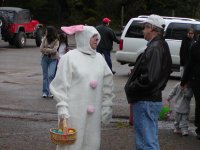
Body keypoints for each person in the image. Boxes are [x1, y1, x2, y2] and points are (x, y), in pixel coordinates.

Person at [50, 25, 114, 150]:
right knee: (72, 145)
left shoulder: (100, 59)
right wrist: (63, 109)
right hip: (73, 114)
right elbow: (60, 85)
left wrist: (107, 105)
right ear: (84, 38)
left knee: (92, 144)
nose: (96, 39)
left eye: (97, 37)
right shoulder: (69, 58)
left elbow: (108, 83)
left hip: (93, 118)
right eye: (93, 37)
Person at [124, 14, 172, 150]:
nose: (143, 30)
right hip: (150, 100)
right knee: (148, 140)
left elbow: (150, 78)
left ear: (151, 28)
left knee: (146, 142)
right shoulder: (160, 45)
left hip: (146, 101)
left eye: (145, 27)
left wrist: (132, 87)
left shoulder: (155, 47)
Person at [181, 37, 200, 140]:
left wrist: (184, 81)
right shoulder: (195, 46)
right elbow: (189, 65)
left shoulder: (195, 46)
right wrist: (184, 81)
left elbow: (189, 65)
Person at [40, 26, 59, 98]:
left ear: (50, 32)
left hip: (53, 59)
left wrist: (46, 49)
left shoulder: (56, 40)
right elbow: (41, 48)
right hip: (44, 58)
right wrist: (49, 49)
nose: (45, 32)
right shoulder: (45, 38)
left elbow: (54, 50)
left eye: (47, 31)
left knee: (51, 75)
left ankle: (51, 92)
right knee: (45, 76)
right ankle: (45, 92)